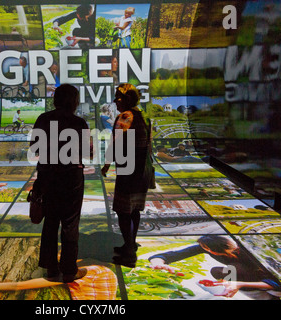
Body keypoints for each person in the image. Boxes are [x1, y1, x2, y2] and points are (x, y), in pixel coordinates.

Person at [30, 84, 90, 283]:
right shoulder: (79, 122)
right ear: (74, 101)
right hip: (71, 178)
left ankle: (50, 269)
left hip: (48, 177)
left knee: (50, 223)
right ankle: (70, 271)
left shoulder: (43, 119)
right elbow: (87, 153)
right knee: (70, 224)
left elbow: (35, 149)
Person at [101, 83, 153, 268]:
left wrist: (106, 166)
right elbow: (150, 145)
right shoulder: (144, 116)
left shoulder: (125, 116)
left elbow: (114, 144)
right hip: (142, 170)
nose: (115, 100)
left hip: (129, 171)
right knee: (134, 209)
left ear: (127, 99)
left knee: (124, 211)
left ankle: (129, 254)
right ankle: (129, 244)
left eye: (118, 97)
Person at [148, 235, 281, 299]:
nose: (207, 251)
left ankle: (268, 296)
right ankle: (243, 288)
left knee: (234, 268)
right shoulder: (207, 248)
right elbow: (170, 255)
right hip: (246, 274)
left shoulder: (247, 253)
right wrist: (158, 263)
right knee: (218, 271)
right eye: (205, 248)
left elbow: (276, 282)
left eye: (208, 249)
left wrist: (238, 283)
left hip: (269, 280)